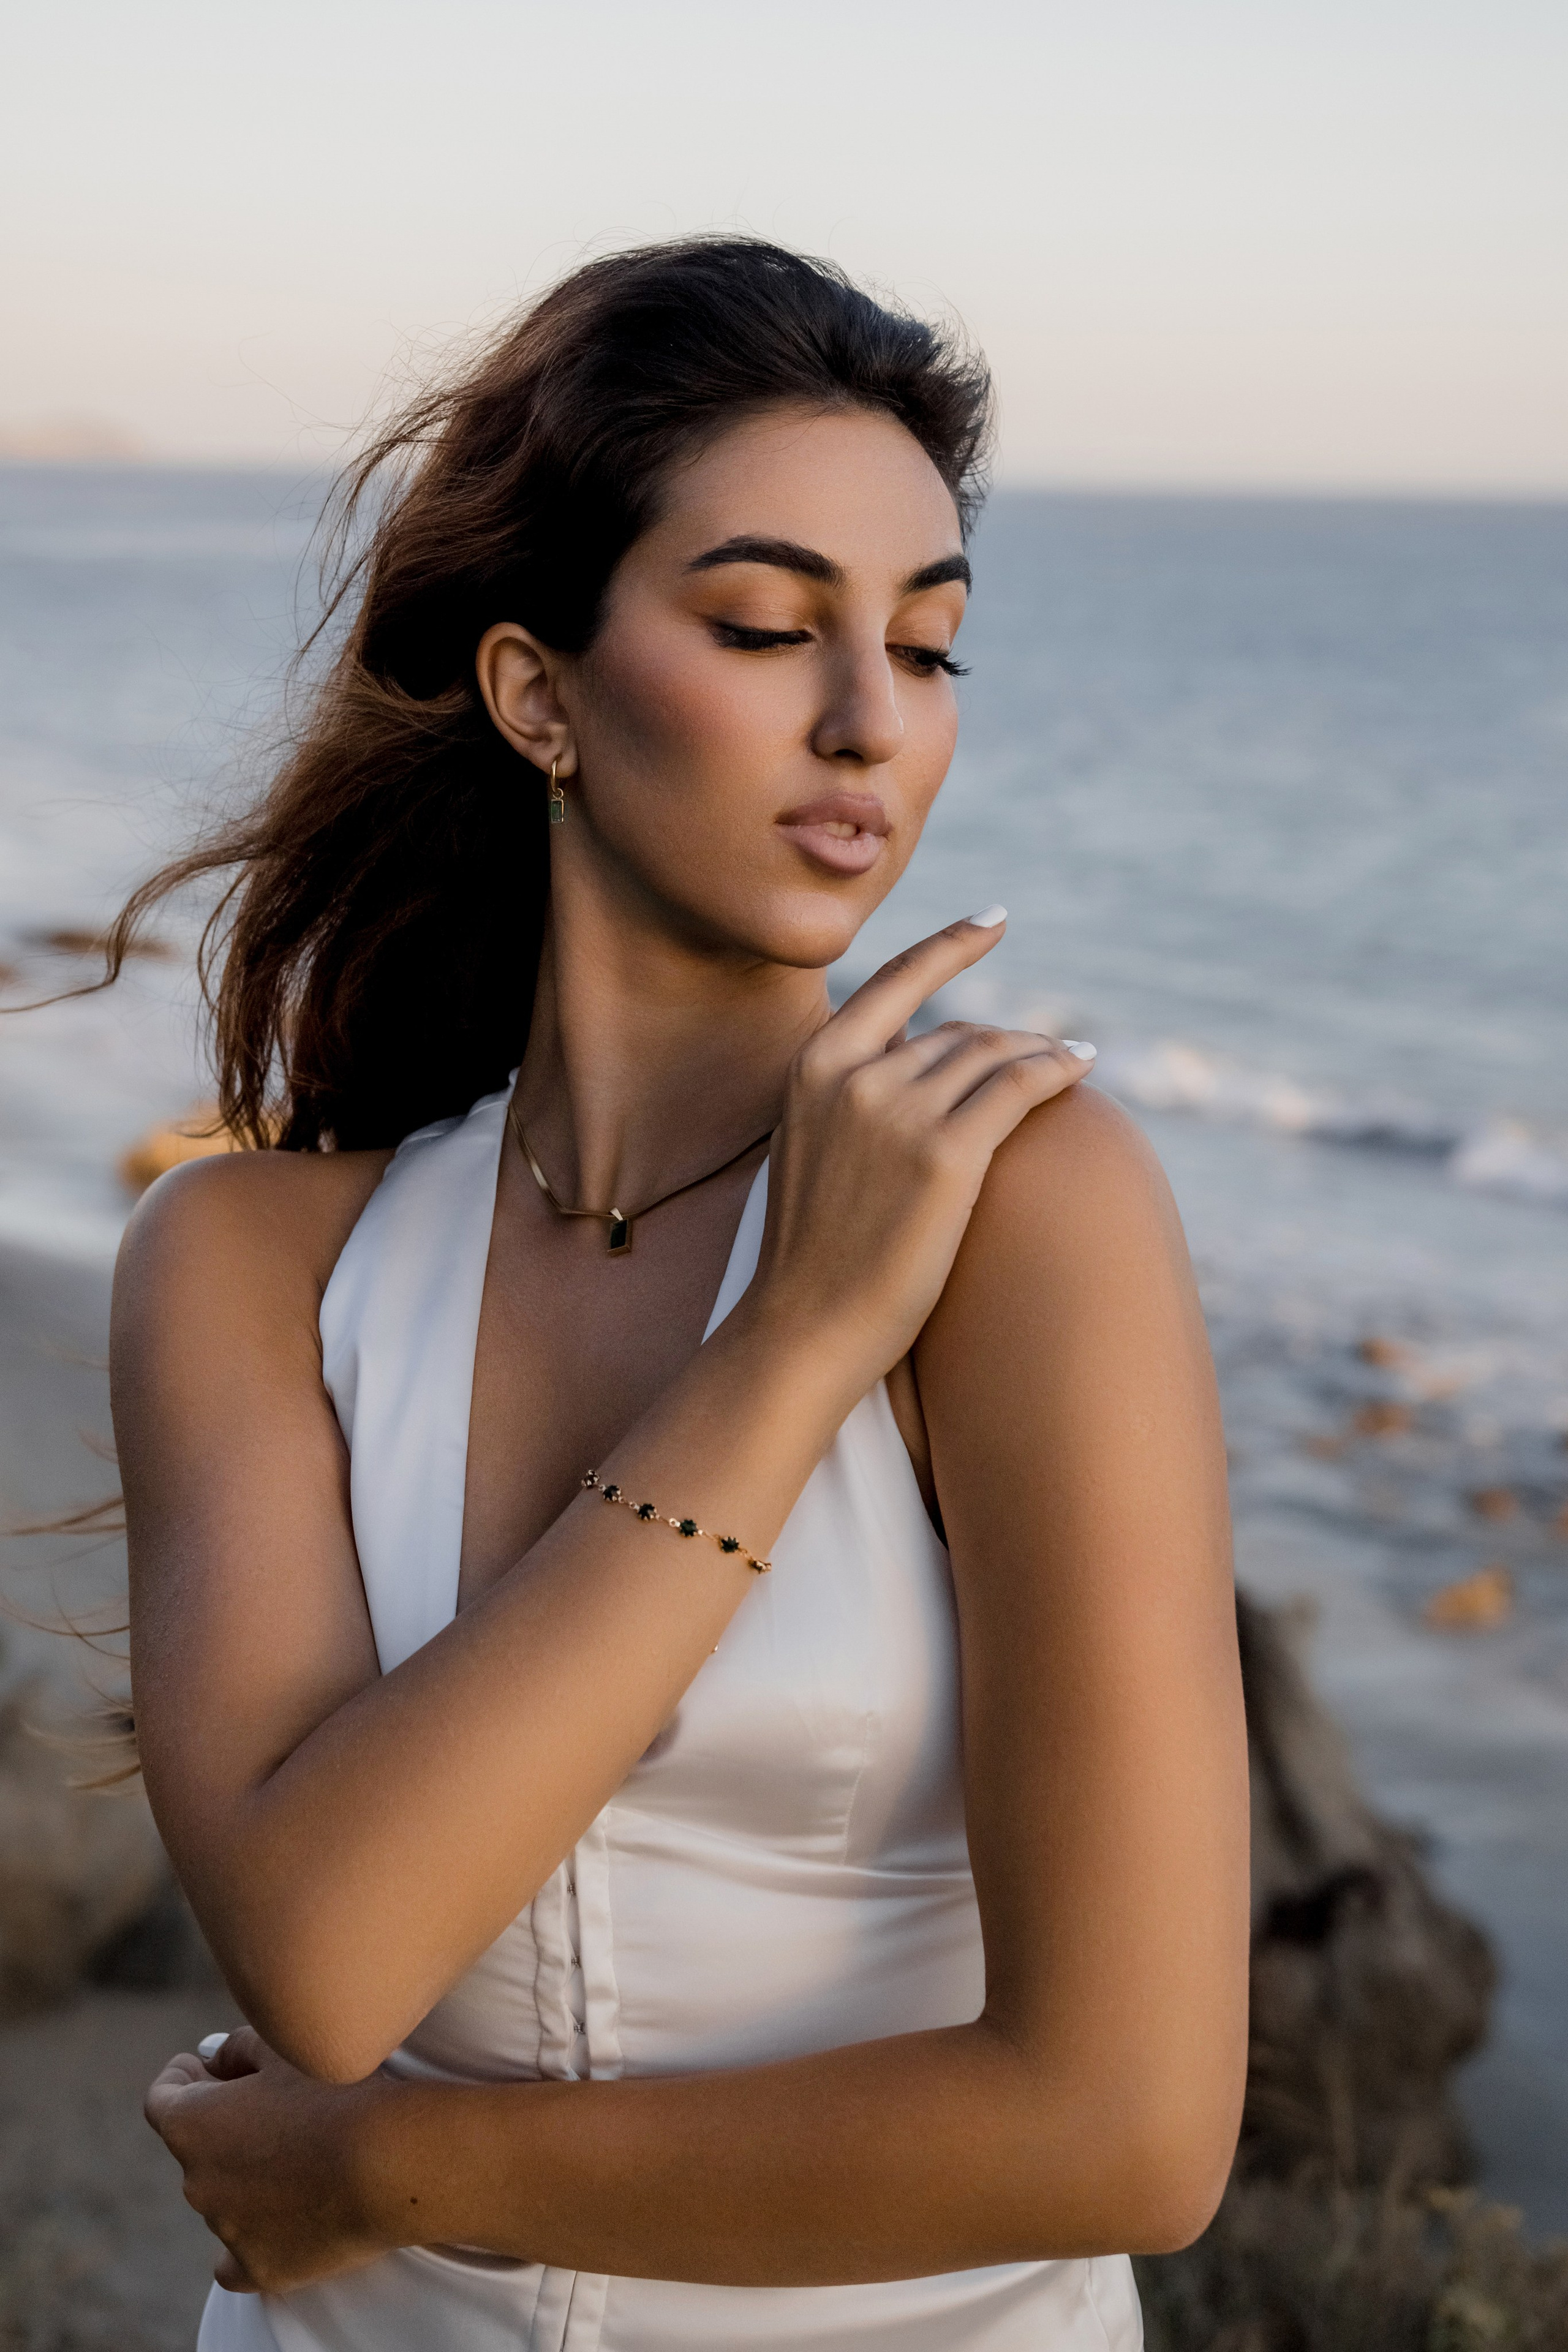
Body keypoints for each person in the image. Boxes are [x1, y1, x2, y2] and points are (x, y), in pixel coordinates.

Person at [116, 237, 1248, 2352]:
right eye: (763, 625)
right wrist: (795, 1337)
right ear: (538, 691)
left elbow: (1128, 2127)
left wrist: (385, 2174)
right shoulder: (257, 1263)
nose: (868, 725)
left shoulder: (1035, 1210)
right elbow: (329, 1958)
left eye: (929, 650)